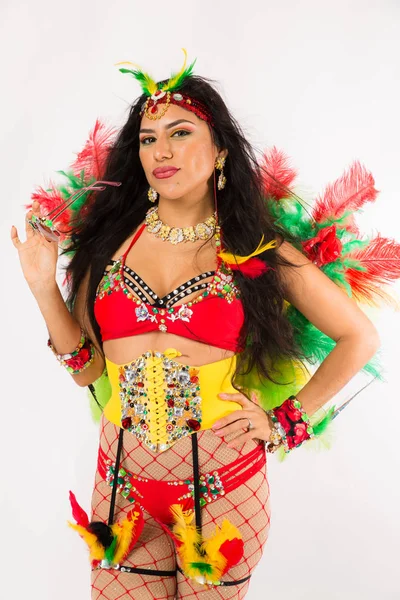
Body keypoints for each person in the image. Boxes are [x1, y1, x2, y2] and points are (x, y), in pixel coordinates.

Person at [11, 50, 386, 599]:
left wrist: (286, 422)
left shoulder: (256, 250)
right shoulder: (106, 246)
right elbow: (87, 368)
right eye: (147, 138)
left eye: (180, 132)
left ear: (220, 152)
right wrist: (44, 289)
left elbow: (360, 337)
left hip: (222, 489)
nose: (161, 150)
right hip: (121, 489)